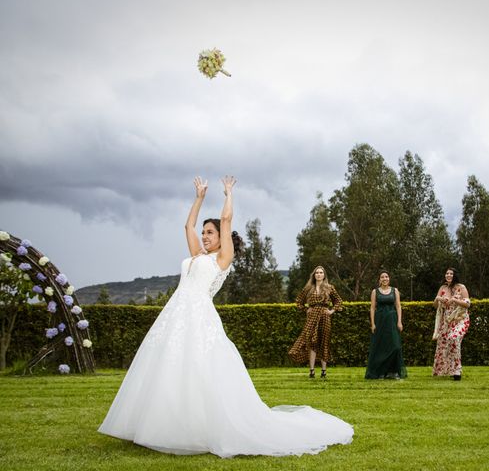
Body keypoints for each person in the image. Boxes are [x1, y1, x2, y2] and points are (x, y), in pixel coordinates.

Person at [99, 177, 353, 457]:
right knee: (168, 366)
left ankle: (197, 429)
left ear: (221, 238)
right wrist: (198, 198)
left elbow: (226, 217)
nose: (205, 235)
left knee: (198, 368)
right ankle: (162, 425)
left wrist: (228, 194)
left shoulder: (221, 259)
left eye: (210, 232)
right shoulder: (196, 255)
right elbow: (187, 226)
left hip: (199, 316)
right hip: (175, 315)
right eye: (204, 232)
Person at [288, 266, 342, 378]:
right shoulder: (308, 288)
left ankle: (323, 371)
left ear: (324, 275)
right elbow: (298, 301)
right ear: (314, 275)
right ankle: (311, 371)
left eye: (321, 272)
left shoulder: (329, 288)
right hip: (311, 317)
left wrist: (331, 311)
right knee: (311, 343)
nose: (318, 274)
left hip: (325, 317)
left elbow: (339, 301)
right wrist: (306, 309)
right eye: (316, 272)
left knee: (324, 342)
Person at [365, 271, 407, 379]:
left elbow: (398, 306)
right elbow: (372, 307)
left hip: (392, 321)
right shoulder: (375, 292)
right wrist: (373, 323)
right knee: (380, 347)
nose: (385, 278)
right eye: (382, 277)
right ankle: (381, 372)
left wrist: (399, 321)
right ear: (379, 280)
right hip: (380, 321)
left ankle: (393, 372)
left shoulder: (395, 290)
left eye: (387, 276)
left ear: (389, 278)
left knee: (395, 346)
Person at [432, 268, 471, 381]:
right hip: (447, 320)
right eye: (447, 273)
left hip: (460, 319)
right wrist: (439, 299)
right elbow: (435, 305)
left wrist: (454, 300)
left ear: (455, 275)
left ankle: (457, 371)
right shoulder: (443, 288)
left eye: (451, 273)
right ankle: (449, 370)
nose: (448, 275)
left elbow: (467, 304)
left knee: (453, 338)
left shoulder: (461, 287)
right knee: (443, 344)